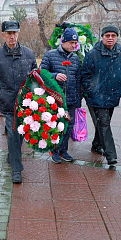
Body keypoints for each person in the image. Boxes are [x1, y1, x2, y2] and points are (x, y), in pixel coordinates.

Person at [81, 24, 121, 165]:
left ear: (116, 38)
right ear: (102, 37)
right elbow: (85, 75)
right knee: (104, 124)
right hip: (96, 97)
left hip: (113, 96)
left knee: (102, 124)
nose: (110, 38)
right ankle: (111, 155)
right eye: (107, 35)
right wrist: (91, 91)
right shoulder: (93, 54)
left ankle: (96, 145)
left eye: (113, 36)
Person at [0, 21, 37, 183]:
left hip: (27, 103)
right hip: (8, 105)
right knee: (14, 135)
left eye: (14, 33)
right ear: (3, 35)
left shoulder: (29, 54)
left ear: (19, 34)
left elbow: (35, 78)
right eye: (9, 33)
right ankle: (17, 170)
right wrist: (0, 96)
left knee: (22, 133)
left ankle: (12, 154)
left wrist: (34, 96)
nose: (12, 36)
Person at [40, 27, 82, 164]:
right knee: (56, 126)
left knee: (68, 126)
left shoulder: (76, 59)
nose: (73, 45)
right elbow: (41, 73)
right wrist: (55, 75)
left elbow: (78, 80)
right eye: (71, 42)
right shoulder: (50, 55)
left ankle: (64, 151)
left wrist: (77, 101)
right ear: (63, 41)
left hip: (70, 100)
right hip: (54, 100)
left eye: (75, 43)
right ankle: (55, 151)